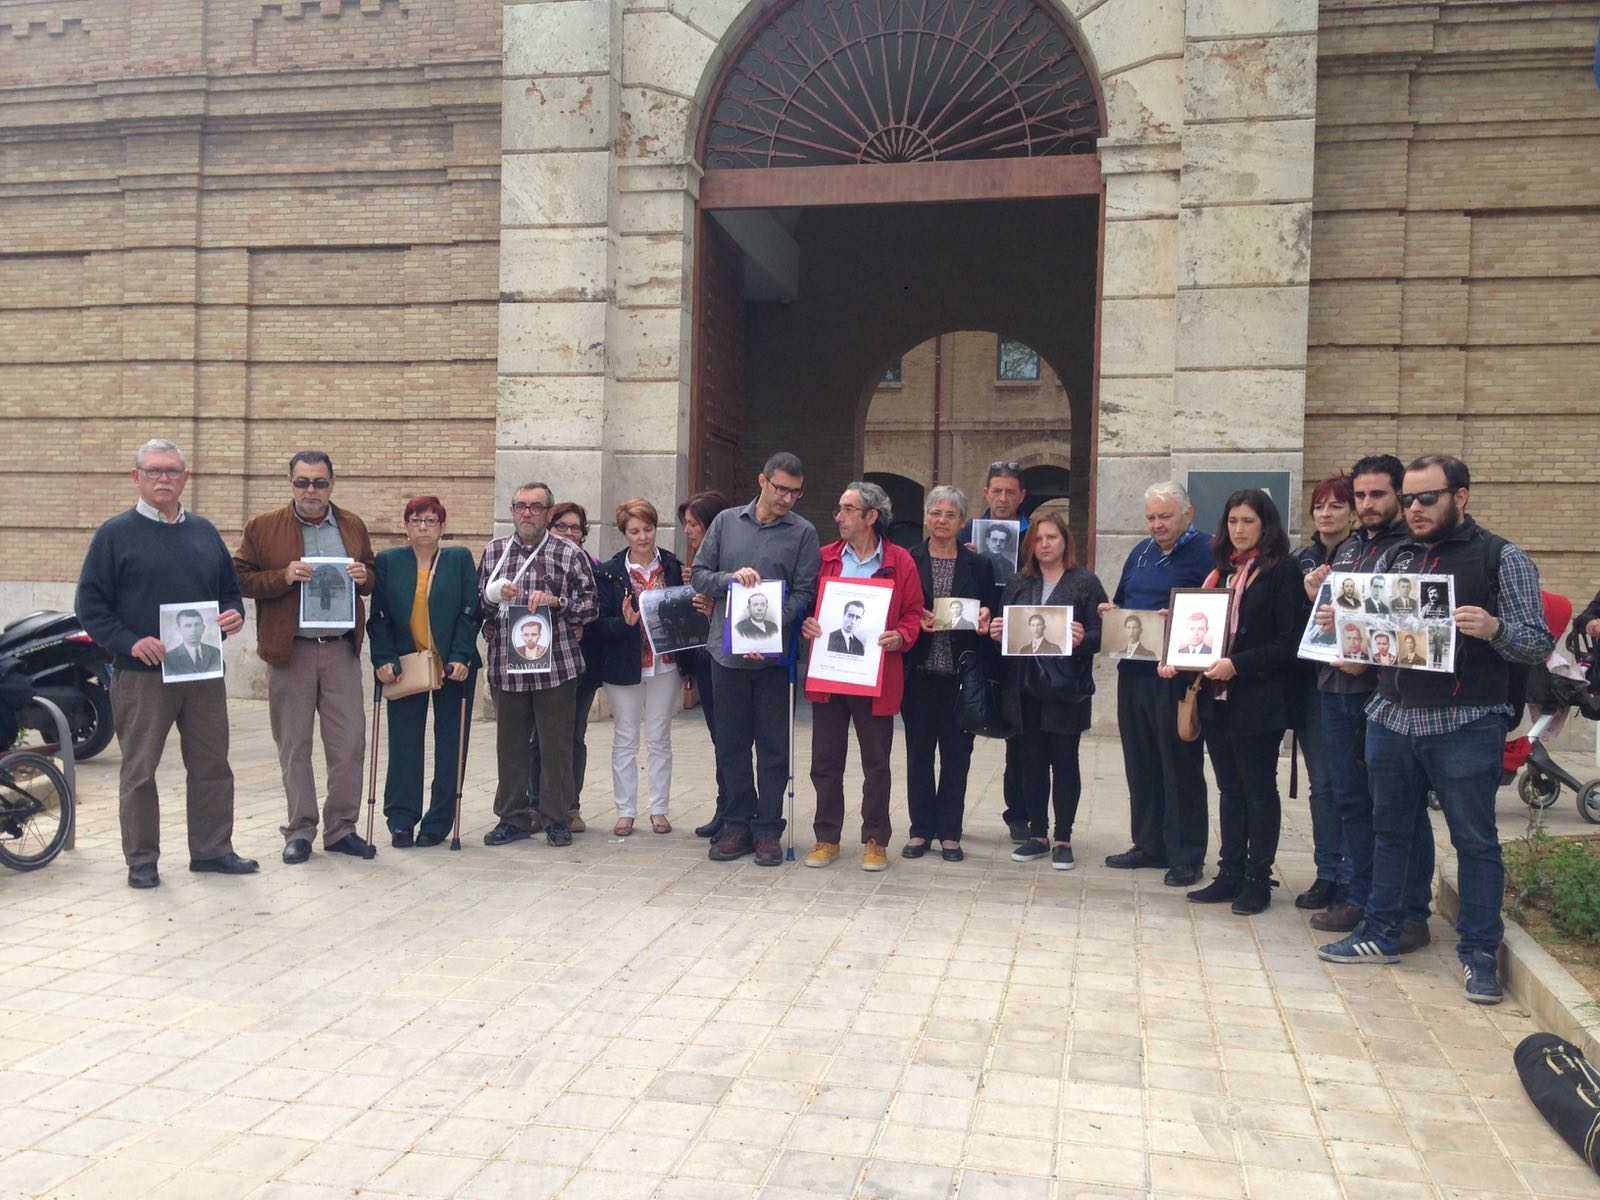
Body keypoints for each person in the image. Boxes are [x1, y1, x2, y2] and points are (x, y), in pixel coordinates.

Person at [1318, 455, 1554, 1005]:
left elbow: (1538, 643)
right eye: (1409, 500)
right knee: (1390, 830)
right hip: (1392, 715)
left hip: (1466, 721)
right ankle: (1380, 932)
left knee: (1474, 841)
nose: (1415, 509)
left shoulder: (1503, 558)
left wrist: (1495, 629)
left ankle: (1478, 956)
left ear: (1461, 497)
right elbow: (1368, 636)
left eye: (1428, 499)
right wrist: (1340, 622)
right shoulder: (1396, 555)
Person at [75, 438, 257, 889]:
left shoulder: (204, 532)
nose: (163, 479)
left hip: (201, 674)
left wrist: (235, 614)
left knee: (212, 764)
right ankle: (142, 860)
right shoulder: (113, 535)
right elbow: (91, 607)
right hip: (141, 678)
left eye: (172, 472)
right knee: (140, 770)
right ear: (136, 477)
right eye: (154, 471)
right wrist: (131, 642)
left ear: (185, 478)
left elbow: (229, 592)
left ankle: (212, 851)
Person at [1300, 454, 1432, 946]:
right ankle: (1362, 893)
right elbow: (1334, 614)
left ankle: (1410, 908)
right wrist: (1317, 589)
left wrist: (1369, 658)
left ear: (1398, 493)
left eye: (1377, 494)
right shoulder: (1352, 548)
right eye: (1361, 495)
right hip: (1334, 689)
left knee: (1398, 806)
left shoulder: (1412, 549)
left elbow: (1414, 625)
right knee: (1349, 798)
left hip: (1386, 695)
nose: (1367, 504)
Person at [233, 450, 379, 865]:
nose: (311, 490)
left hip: (339, 650)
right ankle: (300, 830)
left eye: (319, 482)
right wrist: (282, 576)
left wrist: (365, 576)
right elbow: (238, 577)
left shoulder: (351, 525)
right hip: (290, 650)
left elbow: (370, 574)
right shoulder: (263, 528)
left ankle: (342, 829)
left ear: (332, 484)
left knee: (349, 744)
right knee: (294, 745)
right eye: (302, 482)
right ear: (291, 483)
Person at [1169, 489, 1305, 914]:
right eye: (1232, 522)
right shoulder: (1220, 575)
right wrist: (1179, 656)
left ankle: (1256, 879)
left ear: (1265, 525)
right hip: (1217, 700)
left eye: (1247, 521)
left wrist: (1238, 664)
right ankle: (1228, 873)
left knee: (1258, 791)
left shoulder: (1281, 572)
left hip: (1257, 701)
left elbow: (1289, 642)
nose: (1239, 529)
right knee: (1230, 789)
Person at [692, 451, 821, 866]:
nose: (786, 498)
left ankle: (768, 830)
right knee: (730, 744)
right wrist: (730, 580)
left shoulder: (803, 533)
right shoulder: (727, 522)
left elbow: (805, 593)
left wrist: (766, 629)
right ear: (761, 480)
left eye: (795, 493)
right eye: (780, 488)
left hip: (772, 661)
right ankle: (735, 825)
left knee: (773, 747)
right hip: (726, 655)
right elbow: (698, 574)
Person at [800, 482, 921, 871]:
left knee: (876, 764)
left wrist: (901, 635)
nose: (839, 517)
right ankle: (826, 837)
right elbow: (803, 603)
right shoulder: (824, 558)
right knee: (825, 761)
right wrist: (806, 623)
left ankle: (875, 840)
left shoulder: (900, 561)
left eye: (848, 509)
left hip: (877, 677)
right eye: (839, 508)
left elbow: (914, 612)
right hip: (830, 676)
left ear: (871, 516)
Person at [1100, 481, 1213, 885]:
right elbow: (1123, 598)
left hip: (1177, 677)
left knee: (1178, 764)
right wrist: (1112, 612)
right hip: (1133, 672)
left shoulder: (1207, 552)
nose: (1157, 524)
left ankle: (1186, 854)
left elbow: (1217, 611)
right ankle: (1148, 844)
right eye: (1150, 517)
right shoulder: (1140, 553)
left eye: (1165, 516)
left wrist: (1180, 616)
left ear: (1188, 513)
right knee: (1140, 760)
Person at [478, 482, 599, 848]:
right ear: (512, 511)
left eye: (534, 506)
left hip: (557, 666)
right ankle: (512, 817)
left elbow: (591, 605)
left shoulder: (568, 552)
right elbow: (477, 605)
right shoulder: (494, 551)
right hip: (506, 664)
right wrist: (494, 596)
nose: (526, 513)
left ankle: (556, 818)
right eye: (519, 506)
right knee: (510, 745)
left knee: (556, 745)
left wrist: (557, 601)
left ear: (549, 513)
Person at [991, 512, 1105, 870]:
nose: (1044, 545)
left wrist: (1083, 637)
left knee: (1065, 762)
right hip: (1025, 687)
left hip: (1066, 689)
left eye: (1051, 538)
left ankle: (1063, 837)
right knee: (1032, 762)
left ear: (1064, 542)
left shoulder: (1084, 582)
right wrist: (997, 633)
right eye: (1038, 539)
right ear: (1031, 545)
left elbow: (1105, 633)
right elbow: (1006, 633)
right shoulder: (1018, 582)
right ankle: (1037, 834)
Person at [367, 496, 481, 847]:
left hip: (452, 664)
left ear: (442, 527)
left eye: (431, 521)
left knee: (450, 743)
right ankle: (401, 819)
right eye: (416, 520)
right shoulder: (388, 561)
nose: (423, 527)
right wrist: (383, 658)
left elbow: (469, 610)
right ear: (406, 526)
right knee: (404, 742)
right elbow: (380, 617)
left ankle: (438, 822)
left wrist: (462, 655)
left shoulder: (459, 559)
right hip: (407, 664)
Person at [904, 486, 996, 863]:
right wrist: (911, 621)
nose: (942, 521)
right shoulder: (908, 560)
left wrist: (986, 617)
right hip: (920, 674)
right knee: (919, 755)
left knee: (958, 755)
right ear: (926, 517)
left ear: (962, 522)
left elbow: (992, 610)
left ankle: (950, 832)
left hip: (961, 676)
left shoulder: (980, 566)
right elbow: (896, 610)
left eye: (950, 515)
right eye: (936, 513)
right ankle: (920, 829)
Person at [593, 499, 686, 836]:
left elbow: (685, 615)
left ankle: (659, 808)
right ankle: (625, 810)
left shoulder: (673, 566)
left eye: (648, 529)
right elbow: (599, 624)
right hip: (625, 664)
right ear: (624, 533)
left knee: (660, 736)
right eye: (635, 531)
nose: (643, 537)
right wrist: (624, 623)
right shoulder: (609, 571)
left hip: (665, 663)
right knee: (626, 737)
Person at [1289, 474, 1356, 912]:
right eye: (1320, 507)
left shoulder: (1364, 555)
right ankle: (1327, 872)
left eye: (1335, 506)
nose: (1326, 514)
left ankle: (1352, 876)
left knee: (1350, 785)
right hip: (1312, 686)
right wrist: (1305, 594)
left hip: (1354, 684)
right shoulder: (1302, 559)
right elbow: (1291, 624)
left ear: (1351, 512)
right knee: (1322, 786)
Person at [961, 462, 1029, 840]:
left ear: (1021, 497)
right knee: (967, 722)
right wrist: (965, 557)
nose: (1003, 498)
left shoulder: (1036, 537)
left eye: (1010, 492)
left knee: (1018, 731)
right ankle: (953, 815)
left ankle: (1018, 813)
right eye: (996, 491)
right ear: (986, 493)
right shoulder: (967, 533)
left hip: (1020, 646)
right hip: (977, 642)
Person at [540, 501, 606, 832]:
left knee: (571, 737)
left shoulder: (595, 567)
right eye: (561, 526)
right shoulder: (536, 562)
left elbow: (599, 614)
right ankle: (538, 802)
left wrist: (579, 624)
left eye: (575, 528)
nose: (568, 533)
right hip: (539, 664)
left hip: (580, 667)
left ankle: (569, 805)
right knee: (538, 738)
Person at [676, 491, 732, 839]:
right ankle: (723, 805)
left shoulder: (727, 560)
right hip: (702, 658)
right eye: (686, 524)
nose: (688, 531)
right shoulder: (693, 562)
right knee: (717, 737)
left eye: (694, 524)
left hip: (727, 658)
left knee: (729, 737)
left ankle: (736, 806)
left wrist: (715, 609)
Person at [164, 610, 221, 676]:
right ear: (179, 630)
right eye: (188, 626)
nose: (193, 630)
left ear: (203, 628)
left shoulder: (215, 652)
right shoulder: (169, 658)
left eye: (197, 625)